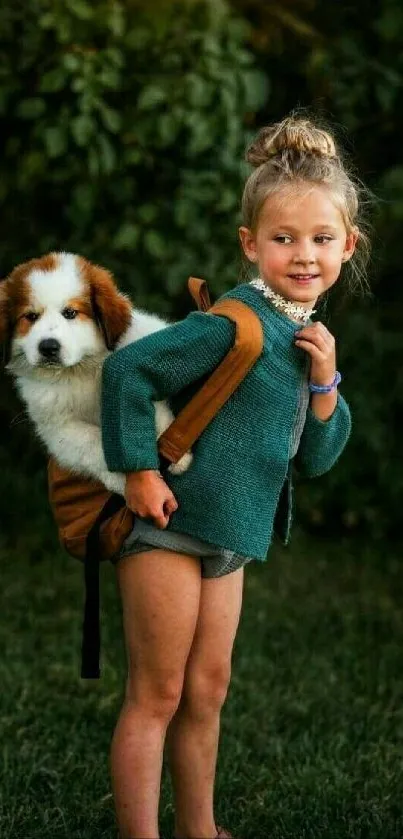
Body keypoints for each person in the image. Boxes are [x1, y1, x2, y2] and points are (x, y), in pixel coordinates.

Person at [100, 116, 369, 839]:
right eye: (283, 238)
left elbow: (311, 459)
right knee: (156, 691)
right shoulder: (237, 322)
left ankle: (199, 827)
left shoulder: (304, 339)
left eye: (320, 238)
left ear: (348, 244)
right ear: (251, 244)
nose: (303, 254)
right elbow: (128, 369)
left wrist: (324, 384)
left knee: (207, 690)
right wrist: (134, 471)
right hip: (171, 525)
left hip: (233, 537)